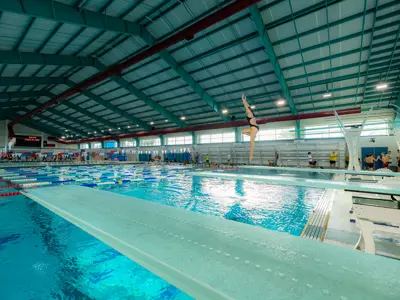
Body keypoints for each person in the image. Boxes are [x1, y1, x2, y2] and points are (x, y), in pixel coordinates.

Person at [241, 94, 259, 161]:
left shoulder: (249, 113)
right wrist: (245, 100)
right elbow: (248, 106)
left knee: (251, 142)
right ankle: (253, 135)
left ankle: (251, 156)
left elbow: (246, 106)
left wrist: (243, 100)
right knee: (242, 131)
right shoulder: (250, 111)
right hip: (252, 128)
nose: (246, 111)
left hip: (255, 128)